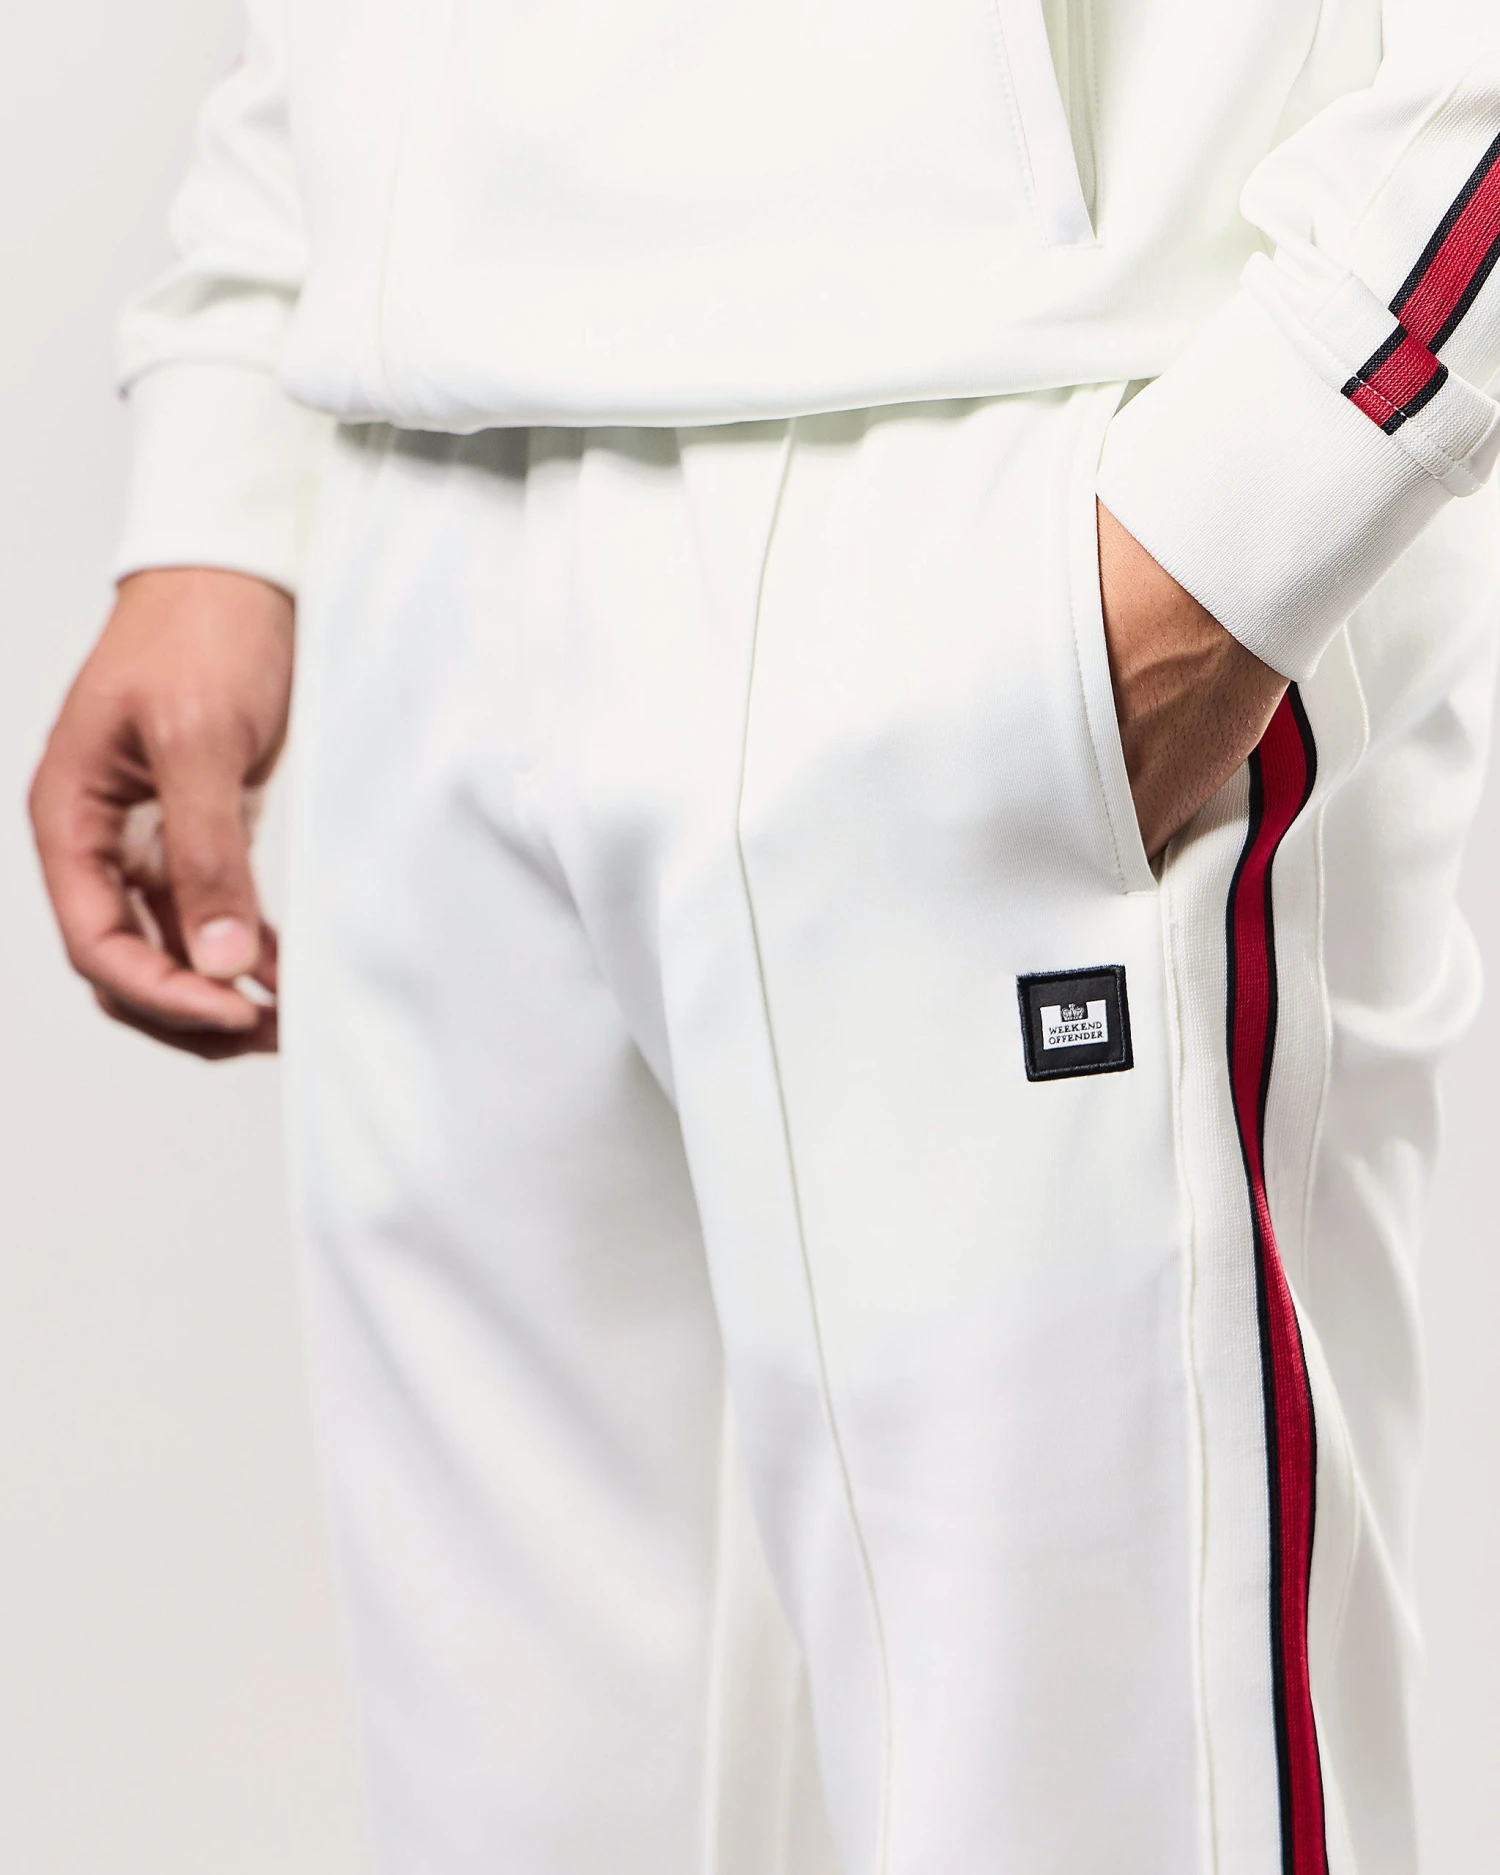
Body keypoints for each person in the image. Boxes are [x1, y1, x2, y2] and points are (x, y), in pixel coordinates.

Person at [27, 1, 1500, 1868]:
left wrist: (1288, 454)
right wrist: (235, 425)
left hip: (1014, 465)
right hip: (419, 477)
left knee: (1083, 1811)